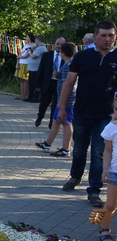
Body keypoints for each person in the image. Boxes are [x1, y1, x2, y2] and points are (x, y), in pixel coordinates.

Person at [57, 21, 117, 208]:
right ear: (95, 36)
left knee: (99, 152)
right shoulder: (82, 56)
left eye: (111, 35)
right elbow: (68, 83)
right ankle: (75, 176)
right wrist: (62, 107)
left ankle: (94, 190)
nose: (107, 39)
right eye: (103, 35)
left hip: (106, 115)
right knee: (80, 148)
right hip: (82, 111)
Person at [35, 42, 76, 156]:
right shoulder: (68, 65)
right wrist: (58, 75)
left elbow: (67, 84)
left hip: (66, 101)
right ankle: (47, 143)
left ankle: (65, 149)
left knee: (66, 123)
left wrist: (62, 102)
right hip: (63, 100)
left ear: (62, 54)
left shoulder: (68, 66)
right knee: (56, 122)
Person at [98, 95, 117, 241]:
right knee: (110, 205)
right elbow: (108, 150)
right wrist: (105, 169)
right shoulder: (111, 128)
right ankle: (104, 228)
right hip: (115, 172)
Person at [35, 37, 67, 128]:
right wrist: (37, 83)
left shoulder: (66, 57)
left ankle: (51, 123)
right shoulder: (47, 55)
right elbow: (41, 69)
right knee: (44, 103)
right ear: (54, 44)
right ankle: (40, 117)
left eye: (61, 45)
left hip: (59, 84)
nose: (59, 46)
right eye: (57, 44)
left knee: (55, 105)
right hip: (47, 82)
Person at [26, 36, 47, 102]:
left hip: (36, 69)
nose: (35, 43)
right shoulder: (37, 48)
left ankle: (36, 97)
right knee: (30, 83)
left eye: (36, 41)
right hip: (32, 69)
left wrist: (29, 51)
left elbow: (33, 56)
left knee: (35, 84)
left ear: (39, 41)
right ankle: (31, 96)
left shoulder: (41, 48)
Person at [15, 35, 34, 100]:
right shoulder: (25, 45)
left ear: (30, 38)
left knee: (25, 80)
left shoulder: (33, 45)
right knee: (21, 79)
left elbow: (26, 55)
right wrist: (17, 62)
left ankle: (25, 95)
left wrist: (19, 57)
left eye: (27, 36)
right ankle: (21, 94)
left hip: (26, 63)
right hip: (21, 63)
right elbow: (20, 54)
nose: (26, 38)